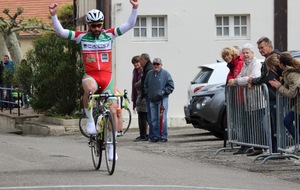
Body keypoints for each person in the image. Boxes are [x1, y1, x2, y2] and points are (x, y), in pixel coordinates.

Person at [49, 0, 139, 160]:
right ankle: (90, 120)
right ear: (88, 25)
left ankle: (111, 145)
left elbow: (130, 25)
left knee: (113, 110)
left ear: (102, 24)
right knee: (89, 89)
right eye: (93, 26)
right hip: (91, 76)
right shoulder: (81, 37)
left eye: (99, 25)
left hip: (107, 78)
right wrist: (54, 15)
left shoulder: (109, 34)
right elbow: (62, 32)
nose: (96, 28)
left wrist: (135, 8)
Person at [247, 37, 282, 155]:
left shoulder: (273, 58)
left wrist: (254, 80)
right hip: (273, 97)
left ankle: (277, 151)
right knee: (273, 126)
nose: (260, 50)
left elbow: (267, 77)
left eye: (262, 47)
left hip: (277, 97)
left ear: (270, 46)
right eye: (259, 48)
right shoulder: (269, 58)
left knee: (277, 127)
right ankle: (274, 150)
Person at [227, 43, 262, 155]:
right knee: (252, 125)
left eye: (248, 52)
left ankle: (260, 147)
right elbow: (241, 77)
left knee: (259, 125)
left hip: (257, 99)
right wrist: (243, 80)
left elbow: (252, 77)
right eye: (244, 53)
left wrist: (238, 81)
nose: (246, 55)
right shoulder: (245, 65)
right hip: (249, 100)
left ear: (252, 53)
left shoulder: (256, 64)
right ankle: (256, 147)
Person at [269, 53, 300, 148]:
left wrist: (279, 86)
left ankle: (298, 145)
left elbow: (292, 93)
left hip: (298, 104)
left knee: (287, 121)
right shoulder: (288, 72)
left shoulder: (292, 74)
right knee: (289, 121)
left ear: (281, 64)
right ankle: (298, 145)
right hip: (297, 104)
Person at [144, 58, 174, 142]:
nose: (156, 66)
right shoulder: (149, 74)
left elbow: (171, 86)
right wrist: (148, 92)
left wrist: (163, 92)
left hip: (162, 100)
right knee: (153, 119)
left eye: (158, 64)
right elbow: (145, 85)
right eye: (154, 64)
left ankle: (163, 136)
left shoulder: (166, 74)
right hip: (152, 100)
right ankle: (155, 136)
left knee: (162, 118)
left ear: (161, 65)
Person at [131, 55, 148, 141]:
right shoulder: (135, 71)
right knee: (141, 116)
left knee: (144, 116)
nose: (136, 64)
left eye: (137, 62)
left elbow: (141, 83)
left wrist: (137, 85)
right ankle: (143, 134)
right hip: (138, 97)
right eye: (134, 63)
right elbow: (133, 87)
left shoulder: (143, 71)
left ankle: (145, 134)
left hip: (143, 96)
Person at [139, 53, 153, 140]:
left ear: (144, 60)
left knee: (147, 115)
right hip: (147, 94)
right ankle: (148, 134)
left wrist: (145, 92)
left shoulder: (148, 69)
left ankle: (148, 134)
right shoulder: (147, 68)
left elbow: (146, 82)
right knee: (148, 115)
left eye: (140, 60)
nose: (139, 63)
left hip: (148, 95)